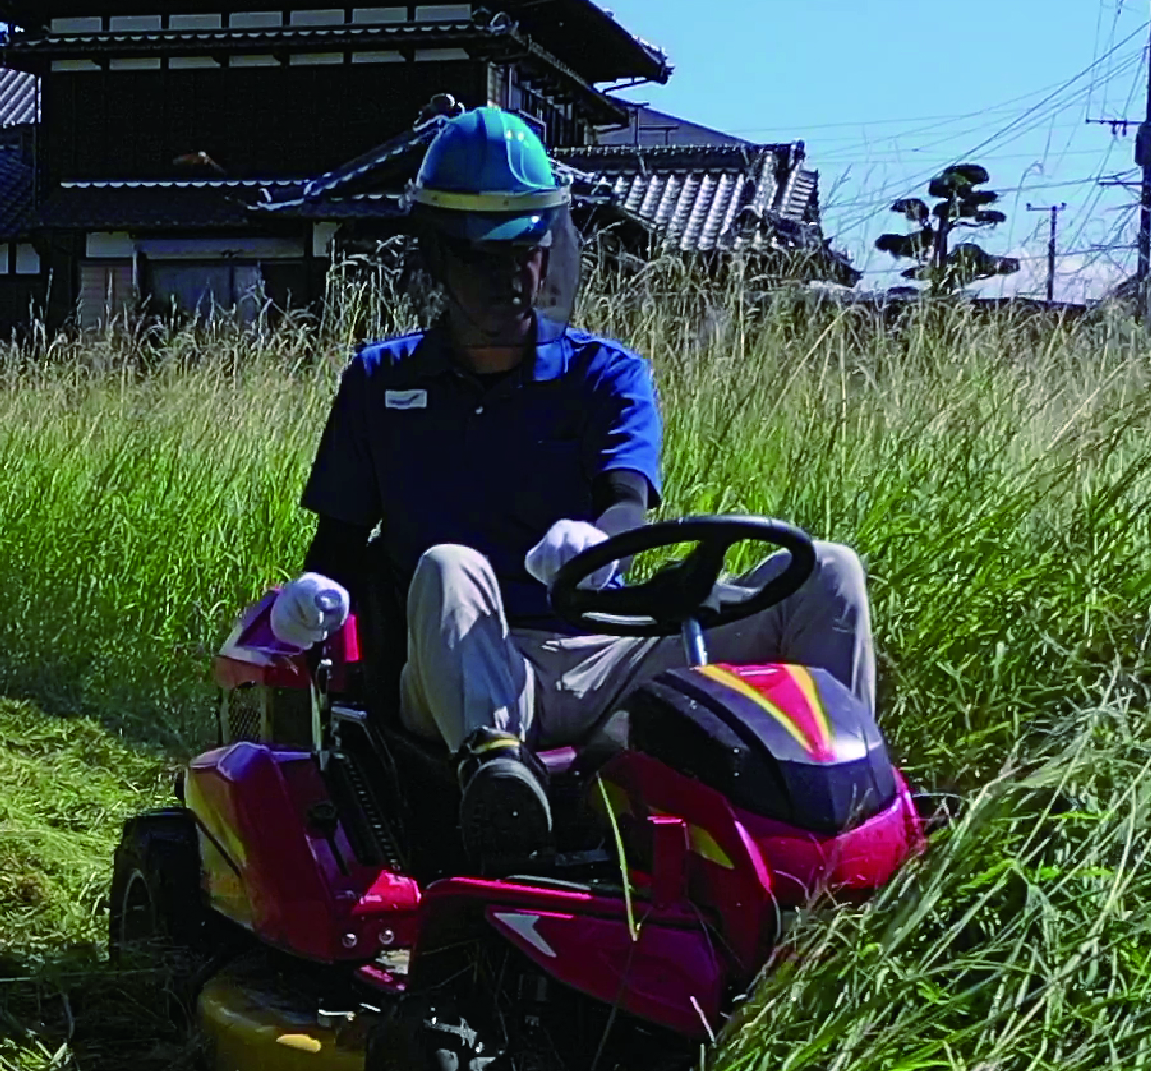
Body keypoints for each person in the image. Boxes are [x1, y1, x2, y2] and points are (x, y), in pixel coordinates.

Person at [272, 105, 874, 873]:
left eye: (525, 252)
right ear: (434, 259)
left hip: (610, 644)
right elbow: (336, 546)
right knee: (449, 564)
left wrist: (601, 543)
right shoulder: (378, 383)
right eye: (483, 259)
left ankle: (839, 813)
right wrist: (312, 599)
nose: (511, 279)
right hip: (466, 665)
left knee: (828, 572)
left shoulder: (608, 375)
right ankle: (501, 789)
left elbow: (626, 494)